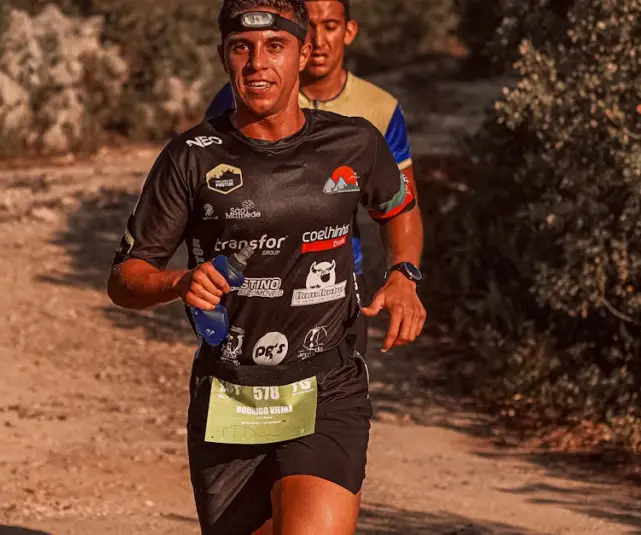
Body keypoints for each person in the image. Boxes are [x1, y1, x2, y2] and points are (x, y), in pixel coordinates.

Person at [107, 0, 425, 533]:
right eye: (242, 48)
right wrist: (177, 281)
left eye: (275, 46)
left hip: (328, 382)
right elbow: (125, 278)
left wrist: (404, 275)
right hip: (230, 392)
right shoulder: (191, 157)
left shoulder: (353, 142)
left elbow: (401, 209)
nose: (258, 62)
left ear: (302, 56)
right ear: (224, 57)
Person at [205, 0, 418, 359]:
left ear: (350, 31)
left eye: (331, 26)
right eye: (311, 27)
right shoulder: (245, 93)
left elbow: (401, 203)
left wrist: (404, 274)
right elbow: (208, 181)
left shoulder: (379, 108)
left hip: (336, 287)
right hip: (249, 290)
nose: (319, 41)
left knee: (337, 405)